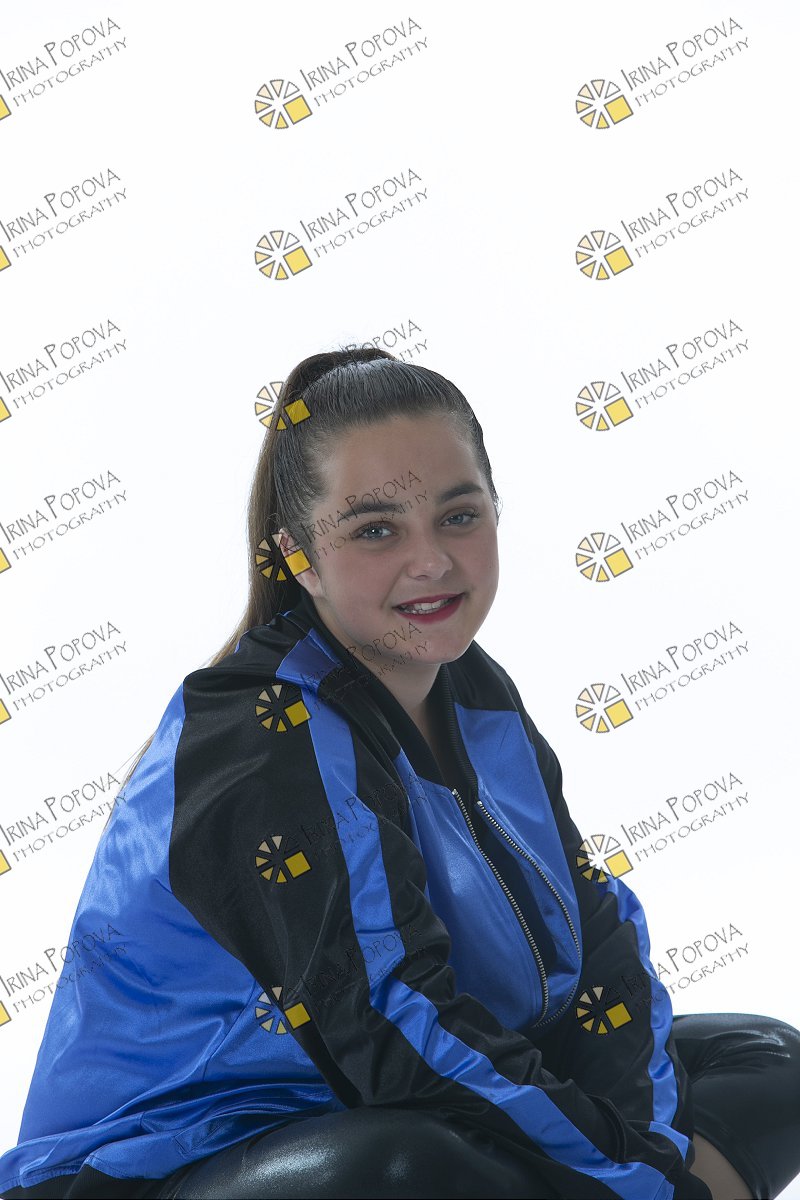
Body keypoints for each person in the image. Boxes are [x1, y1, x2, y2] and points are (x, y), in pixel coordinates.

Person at [1, 348, 798, 1200]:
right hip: (184, 1156)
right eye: (375, 529)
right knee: (410, 1164)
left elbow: (595, 932)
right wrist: (646, 1178)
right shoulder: (261, 735)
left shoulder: (473, 689)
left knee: (767, 1065)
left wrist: (648, 1150)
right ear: (300, 557)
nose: (432, 562)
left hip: (401, 1093)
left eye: (459, 516)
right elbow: (386, 1021)